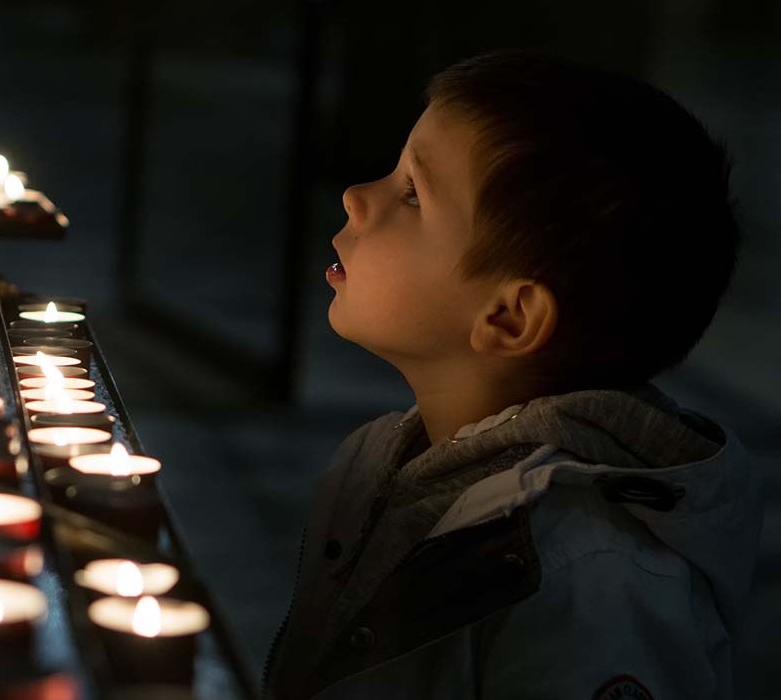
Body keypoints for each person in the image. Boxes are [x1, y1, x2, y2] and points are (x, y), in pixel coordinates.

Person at [263, 51, 763, 700]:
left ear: (507, 316)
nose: (357, 197)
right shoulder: (383, 460)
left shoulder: (587, 579)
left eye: (413, 194)